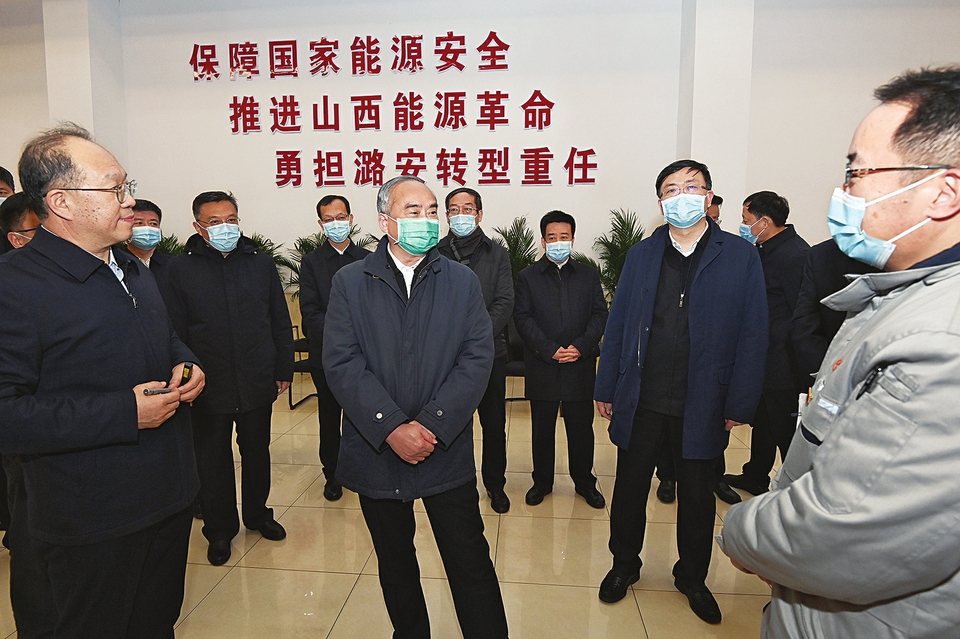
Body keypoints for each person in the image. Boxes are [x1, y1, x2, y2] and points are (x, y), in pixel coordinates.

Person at [719, 66, 960, 639]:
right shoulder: (900, 292)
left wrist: (740, 530)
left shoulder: (941, 342)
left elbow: (840, 532)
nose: (843, 193)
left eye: (857, 173)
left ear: (942, 193)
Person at [0, 123, 205, 638]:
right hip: (93, 519)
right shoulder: (15, 286)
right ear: (61, 202)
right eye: (114, 189)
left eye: (126, 185)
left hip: (168, 495)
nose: (129, 200)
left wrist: (186, 364)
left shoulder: (131, 267)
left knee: (155, 623)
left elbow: (164, 337)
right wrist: (124, 413)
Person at [323, 175, 508, 639]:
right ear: (384, 221)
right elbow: (342, 362)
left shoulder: (461, 281)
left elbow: (477, 357)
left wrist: (431, 425)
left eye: (431, 211)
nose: (426, 220)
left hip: (444, 446)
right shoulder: (350, 281)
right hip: (377, 449)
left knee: (469, 561)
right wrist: (390, 427)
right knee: (396, 563)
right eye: (413, 211)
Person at [595, 159, 767, 624]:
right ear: (660, 202)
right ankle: (623, 564)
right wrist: (606, 384)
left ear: (709, 197)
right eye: (671, 189)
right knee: (629, 490)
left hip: (704, 400)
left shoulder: (739, 255)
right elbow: (619, 323)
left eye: (691, 187)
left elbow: (754, 333)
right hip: (642, 397)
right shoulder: (642, 254)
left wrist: (740, 402)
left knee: (696, 497)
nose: (681, 196)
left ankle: (692, 576)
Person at [162, 191, 294, 567]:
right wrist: (185, 380)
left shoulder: (260, 263)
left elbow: (279, 319)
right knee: (212, 460)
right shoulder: (180, 269)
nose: (225, 227)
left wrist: (282, 369)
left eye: (231, 219)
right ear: (198, 227)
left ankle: (258, 515)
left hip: (256, 379)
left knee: (257, 453)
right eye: (215, 222)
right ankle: (219, 530)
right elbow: (174, 331)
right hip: (207, 384)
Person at [513, 210, 608, 509]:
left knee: (581, 430)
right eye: (551, 237)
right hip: (543, 364)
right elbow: (522, 318)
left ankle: (585, 483)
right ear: (543, 241)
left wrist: (581, 346)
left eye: (563, 237)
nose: (557, 242)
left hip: (580, 365)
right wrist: (549, 349)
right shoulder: (527, 277)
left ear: (572, 240)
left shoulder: (588, 275)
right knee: (542, 430)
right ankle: (542, 482)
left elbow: (599, 314)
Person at [723, 191, 810, 496]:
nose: (743, 225)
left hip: (782, 362)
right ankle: (755, 475)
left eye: (746, 220)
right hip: (761, 356)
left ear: (764, 222)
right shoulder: (763, 250)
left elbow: (802, 314)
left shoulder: (795, 255)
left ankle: (794, 490)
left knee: (784, 429)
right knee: (763, 422)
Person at [437, 187, 514, 513]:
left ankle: (495, 485)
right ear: (446, 215)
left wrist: (473, 337)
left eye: (467, 209)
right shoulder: (434, 252)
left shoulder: (497, 254)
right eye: (454, 210)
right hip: (445, 358)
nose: (461, 215)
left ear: (479, 214)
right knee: (450, 424)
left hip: (489, 355)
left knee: (493, 425)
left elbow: (504, 302)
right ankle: (456, 484)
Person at [298, 194, 367, 502]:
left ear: (350, 219)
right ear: (320, 223)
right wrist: (342, 337)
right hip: (326, 356)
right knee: (329, 417)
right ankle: (332, 474)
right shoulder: (311, 262)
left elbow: (375, 308)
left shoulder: (367, 259)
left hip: (364, 357)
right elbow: (310, 310)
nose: (336, 224)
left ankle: (361, 469)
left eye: (341, 217)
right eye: (329, 219)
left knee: (362, 415)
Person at [791, 238, 877, 383]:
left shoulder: (906, 252)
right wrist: (825, 374)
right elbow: (805, 322)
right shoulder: (822, 254)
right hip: (831, 373)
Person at [119, 199, 172, 288]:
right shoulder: (116, 264)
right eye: (139, 223)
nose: (147, 228)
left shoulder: (173, 266)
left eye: (153, 223)